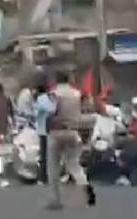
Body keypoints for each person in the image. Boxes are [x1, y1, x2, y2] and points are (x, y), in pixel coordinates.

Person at [46, 70, 96, 211]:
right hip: (73, 132)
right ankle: (89, 193)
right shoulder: (76, 94)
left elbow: (50, 113)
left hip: (56, 133)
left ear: (56, 79)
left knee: (53, 167)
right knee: (74, 165)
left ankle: (55, 200)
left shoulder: (53, 94)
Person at [33, 79, 56, 185]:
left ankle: (43, 178)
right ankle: (46, 177)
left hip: (43, 131)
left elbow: (39, 111)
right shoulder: (47, 98)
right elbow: (52, 109)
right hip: (48, 130)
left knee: (44, 156)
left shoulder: (41, 98)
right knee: (48, 156)